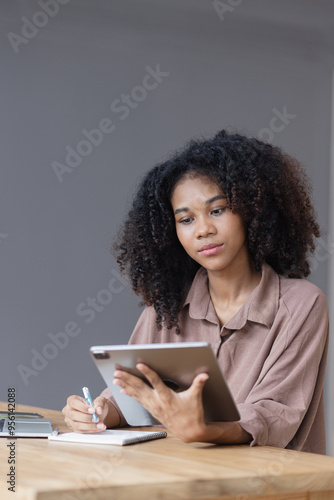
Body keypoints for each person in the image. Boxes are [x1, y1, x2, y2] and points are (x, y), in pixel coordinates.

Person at [62, 130, 329, 453]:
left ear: (252, 210)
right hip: (178, 481)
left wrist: (203, 427)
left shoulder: (302, 303)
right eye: (186, 219)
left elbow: (275, 413)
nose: (203, 230)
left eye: (217, 210)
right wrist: (101, 412)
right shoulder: (166, 310)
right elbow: (131, 396)